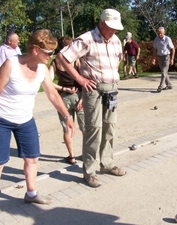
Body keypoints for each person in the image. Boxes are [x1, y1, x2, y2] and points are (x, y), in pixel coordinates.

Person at [0, 29, 76, 223]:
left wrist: (67, 116)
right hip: (2, 120)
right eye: (48, 52)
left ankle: (31, 193)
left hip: (25, 120)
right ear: (35, 49)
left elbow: (53, 95)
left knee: (32, 158)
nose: (51, 56)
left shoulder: (41, 69)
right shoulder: (11, 65)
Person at [55, 8, 126, 188]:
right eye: (111, 27)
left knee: (110, 127)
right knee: (94, 129)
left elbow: (117, 60)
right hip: (93, 90)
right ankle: (90, 171)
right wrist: (79, 78)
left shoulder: (116, 40)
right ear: (102, 23)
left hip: (112, 90)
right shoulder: (87, 38)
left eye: (116, 28)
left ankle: (107, 163)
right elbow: (62, 57)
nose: (114, 31)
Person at [49, 36, 85, 164]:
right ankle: (87, 154)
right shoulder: (76, 61)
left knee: (67, 129)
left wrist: (63, 87)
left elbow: (48, 81)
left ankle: (72, 156)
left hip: (63, 98)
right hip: (79, 95)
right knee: (84, 128)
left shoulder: (55, 62)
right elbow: (84, 79)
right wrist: (82, 99)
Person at [152, 27, 175, 92]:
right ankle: (169, 85)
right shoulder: (156, 39)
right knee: (163, 72)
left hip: (166, 57)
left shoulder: (167, 39)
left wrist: (172, 58)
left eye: (161, 33)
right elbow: (154, 49)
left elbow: (173, 49)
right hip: (160, 56)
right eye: (159, 33)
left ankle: (160, 86)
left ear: (164, 33)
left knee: (164, 72)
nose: (160, 35)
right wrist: (154, 58)